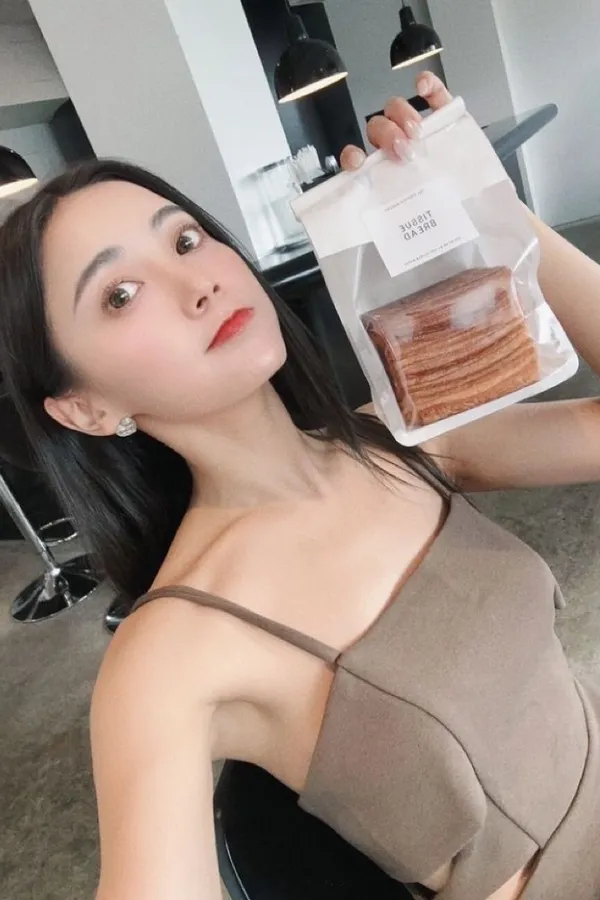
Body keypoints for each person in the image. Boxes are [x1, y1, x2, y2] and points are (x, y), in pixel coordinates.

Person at [0, 72, 599, 900]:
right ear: (87, 409)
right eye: (120, 294)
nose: (198, 283)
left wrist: (486, 201)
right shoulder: (169, 656)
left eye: (185, 240)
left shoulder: (403, 440)